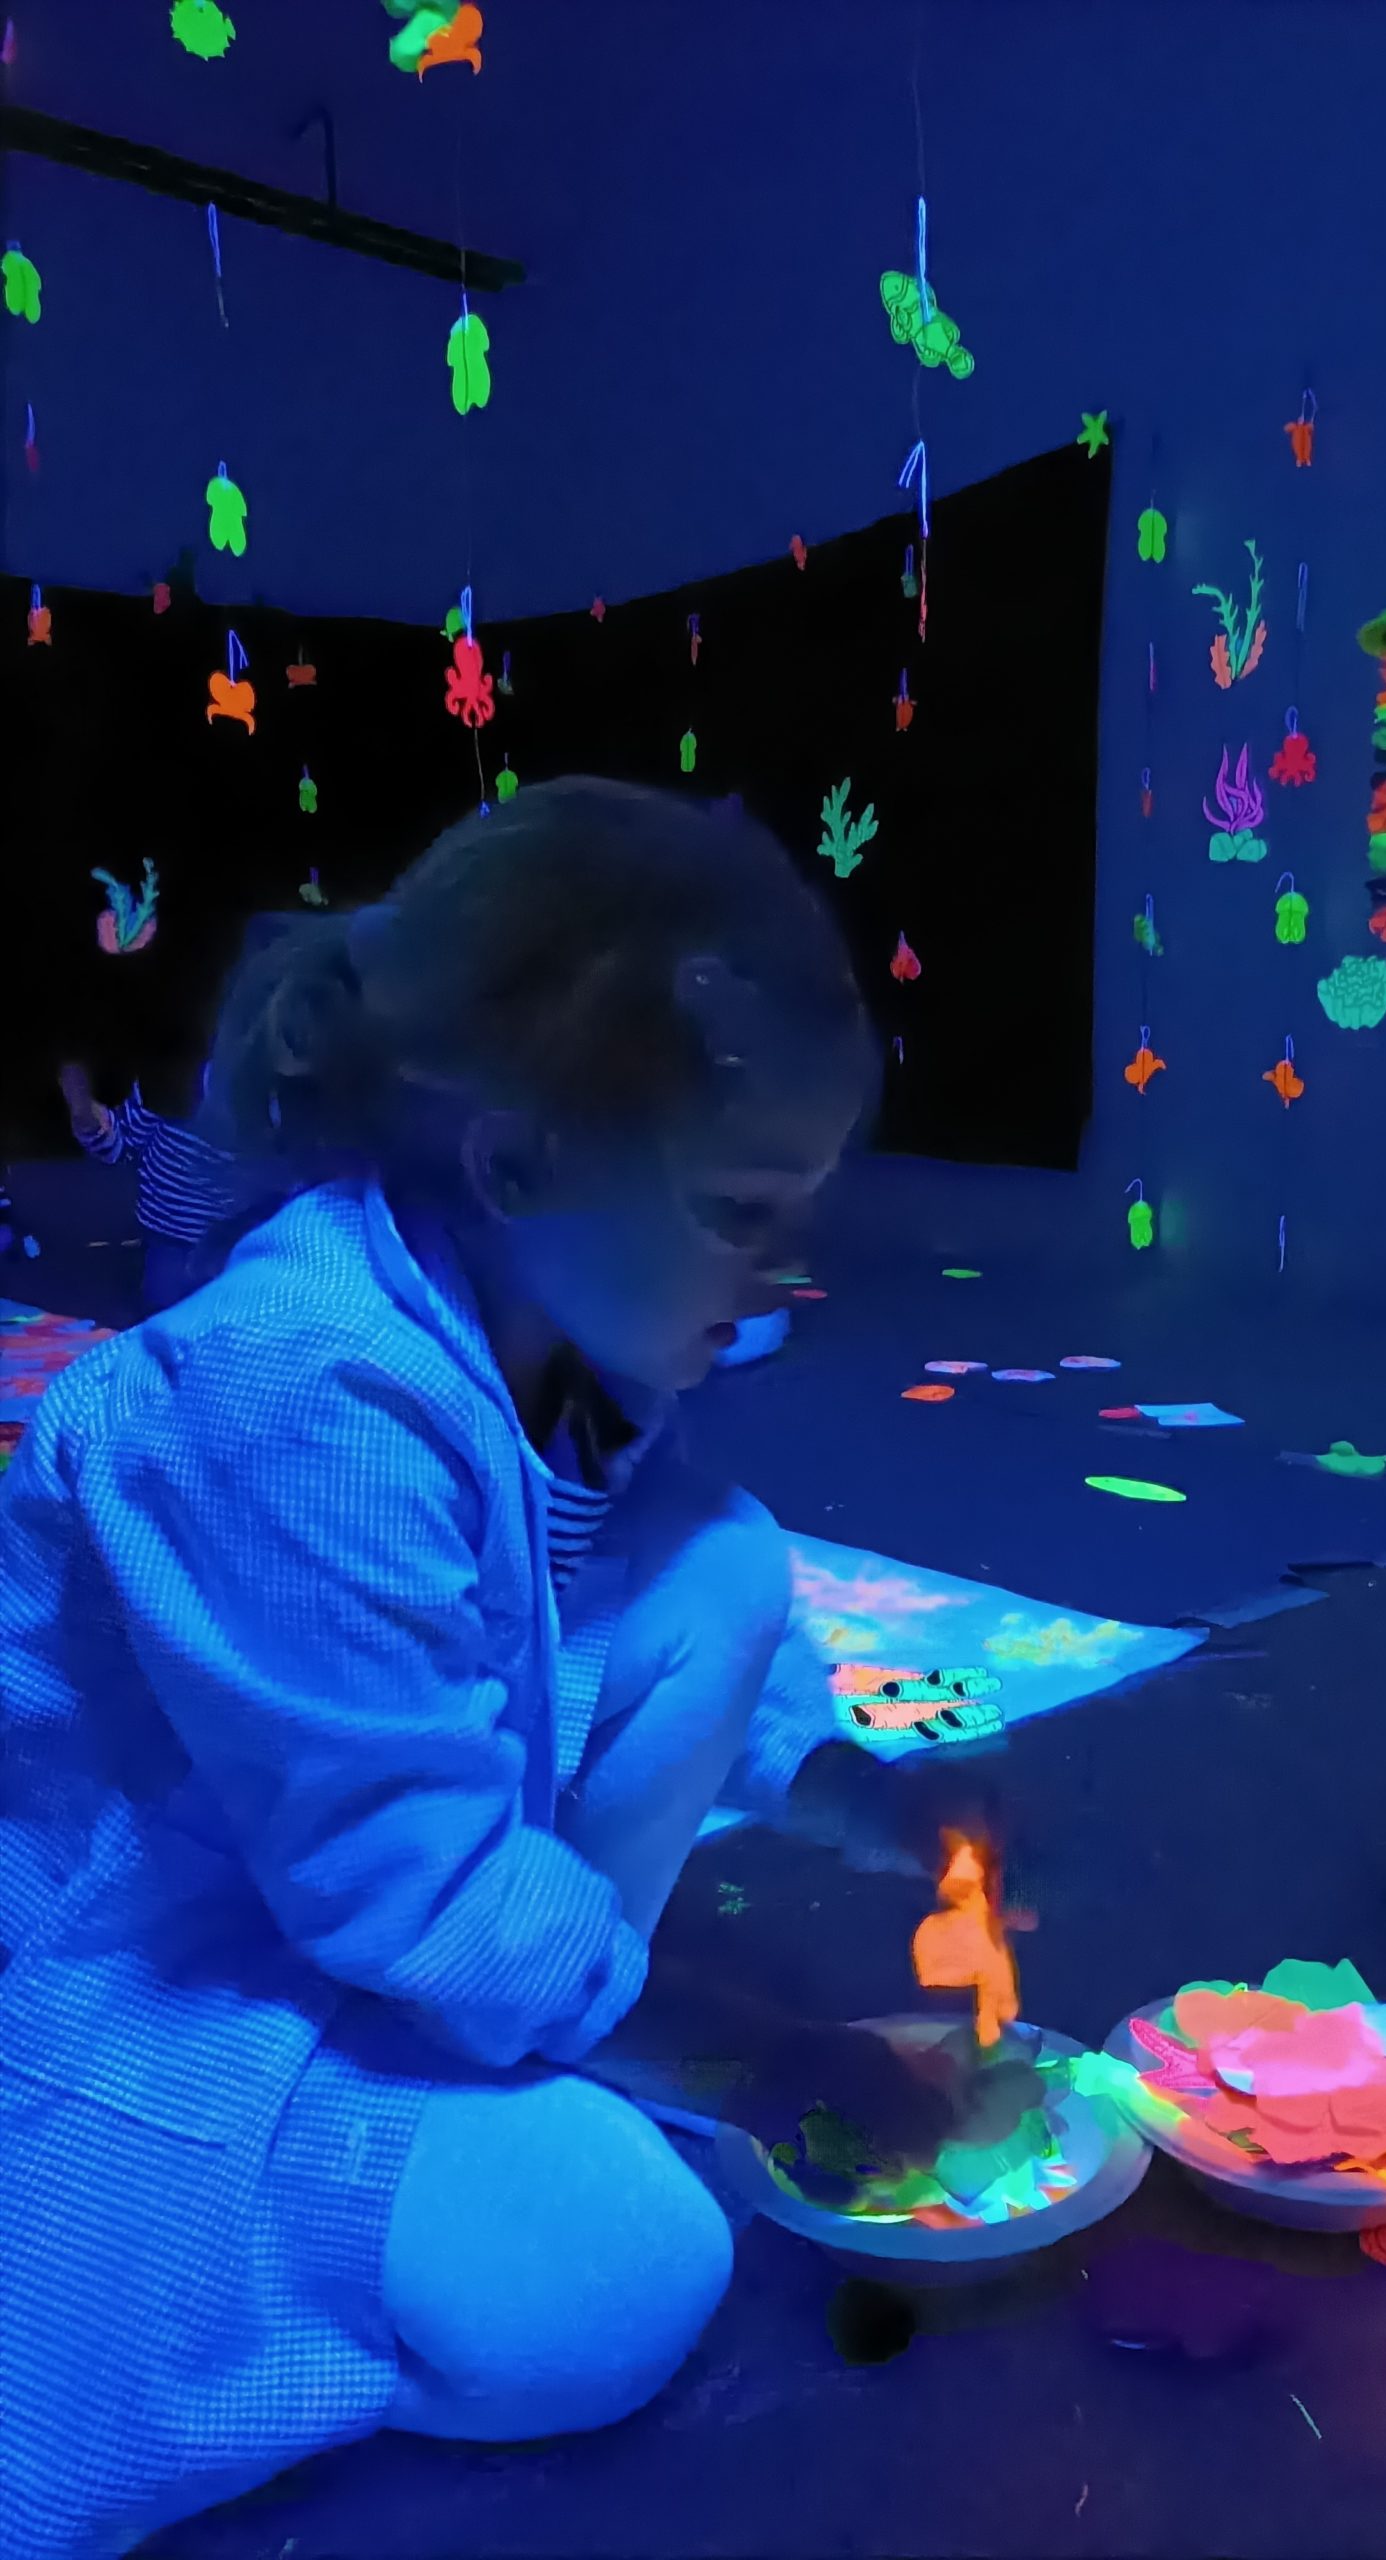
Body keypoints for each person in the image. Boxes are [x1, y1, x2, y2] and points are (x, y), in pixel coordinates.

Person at [0, 781, 1021, 2559]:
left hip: (367, 1894)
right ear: (516, 1163)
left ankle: (532, 2034)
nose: (785, 1274)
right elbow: (408, 1877)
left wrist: (868, 1792)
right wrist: (762, 2056)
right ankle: (374, 2141)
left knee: (722, 1559)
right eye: (740, 1212)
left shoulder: (549, 1329)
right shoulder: (301, 1397)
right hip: (167, 1966)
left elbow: (638, 1579)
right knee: (625, 2273)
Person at [59, 1040, 238, 1311]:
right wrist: (85, 1114)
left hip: (240, 1253)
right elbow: (120, 1145)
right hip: (168, 1249)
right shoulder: (173, 1074)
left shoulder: (281, 1094)